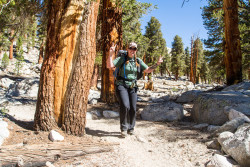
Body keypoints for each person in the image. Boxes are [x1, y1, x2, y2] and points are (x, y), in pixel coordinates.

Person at [107, 42, 163, 138]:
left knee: (132, 107)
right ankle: (124, 128)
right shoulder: (122, 59)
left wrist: (157, 64)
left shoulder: (138, 60)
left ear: (136, 50)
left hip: (133, 86)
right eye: (130, 48)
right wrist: (110, 54)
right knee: (125, 105)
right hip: (121, 85)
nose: (132, 50)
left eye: (134, 49)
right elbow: (110, 66)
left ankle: (131, 128)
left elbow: (147, 70)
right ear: (127, 49)